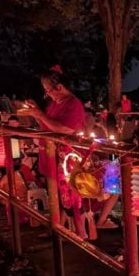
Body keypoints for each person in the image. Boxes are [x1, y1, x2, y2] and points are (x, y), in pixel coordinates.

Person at [21, 65, 90, 237]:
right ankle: (58, 228)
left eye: (48, 91)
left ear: (59, 87)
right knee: (55, 193)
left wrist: (41, 115)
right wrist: (37, 114)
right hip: (50, 154)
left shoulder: (73, 104)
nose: (48, 94)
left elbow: (64, 129)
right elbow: (47, 126)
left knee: (72, 194)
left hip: (66, 158)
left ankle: (81, 234)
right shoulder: (53, 105)